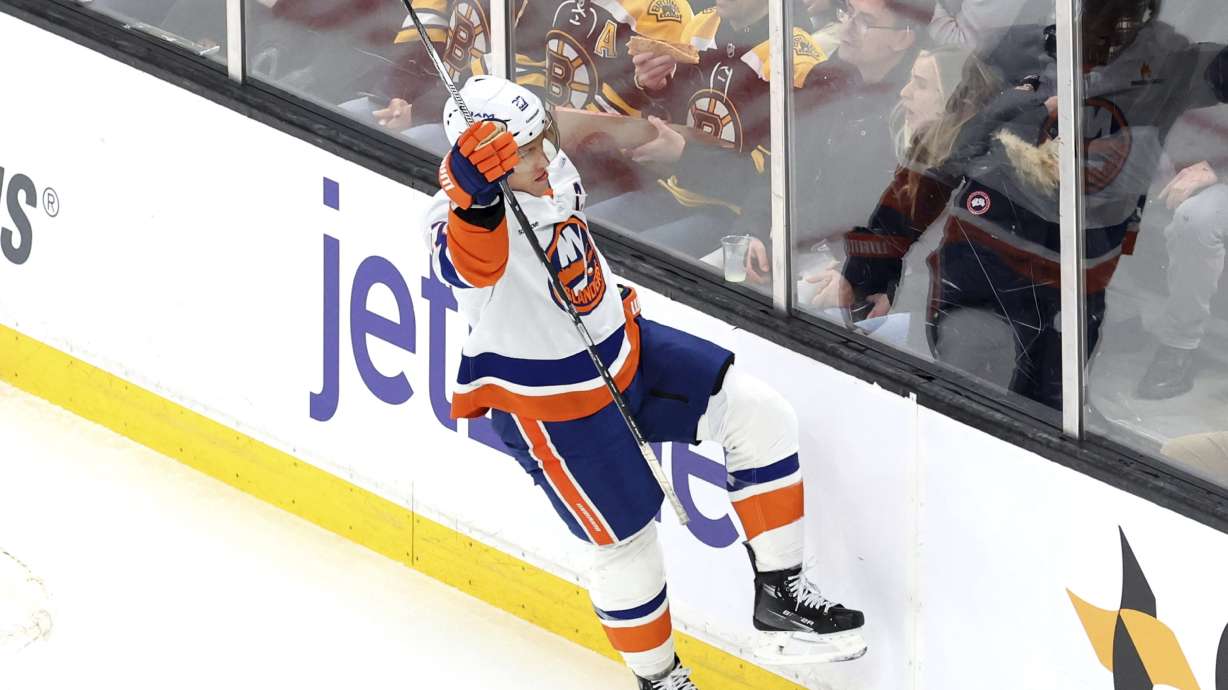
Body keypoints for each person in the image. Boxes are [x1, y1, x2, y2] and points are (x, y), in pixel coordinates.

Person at [423, 75, 867, 688]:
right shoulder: (455, 217)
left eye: (537, 140)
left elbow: (565, 133)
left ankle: (780, 593)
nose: (537, 158)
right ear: (482, 162)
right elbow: (470, 262)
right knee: (625, 541)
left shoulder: (546, 159)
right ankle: (661, 680)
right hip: (552, 404)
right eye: (518, 152)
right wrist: (472, 198)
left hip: (627, 348)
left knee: (760, 417)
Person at [824, 0, 1228, 410]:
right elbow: (937, 156)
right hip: (980, 276)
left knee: (1049, 422)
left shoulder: (1170, 64)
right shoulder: (1018, 50)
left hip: (1070, 296)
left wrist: (1219, 165)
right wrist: (872, 266)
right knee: (969, 415)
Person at [586, 0, 832, 258]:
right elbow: (681, 112)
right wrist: (657, 88)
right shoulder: (704, 24)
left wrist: (682, 154)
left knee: (627, 258)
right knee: (579, 231)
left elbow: (774, 179)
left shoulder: (796, 57)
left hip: (733, 213)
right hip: (677, 188)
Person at [745, 0, 938, 283]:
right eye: (848, 12)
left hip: (850, 265)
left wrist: (783, 235)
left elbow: (866, 211)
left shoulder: (916, 106)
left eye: (864, 22)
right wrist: (754, 229)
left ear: (903, 37)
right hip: (790, 241)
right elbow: (784, 165)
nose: (846, 27)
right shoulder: (827, 77)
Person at [1136, 160, 1228, 399]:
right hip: (1191, 149)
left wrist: (1218, 170)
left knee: (1198, 219)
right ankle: (1096, 308)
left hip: (1218, 171)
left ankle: (1179, 341)